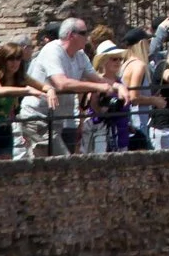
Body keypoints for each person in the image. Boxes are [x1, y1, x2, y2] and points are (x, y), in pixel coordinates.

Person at [31, 18, 114, 157]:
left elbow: (98, 79)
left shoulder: (80, 55)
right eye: (83, 33)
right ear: (71, 35)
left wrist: (117, 86)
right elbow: (61, 83)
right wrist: (98, 87)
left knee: (62, 166)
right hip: (41, 118)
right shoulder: (52, 50)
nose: (87, 37)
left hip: (62, 119)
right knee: (63, 163)